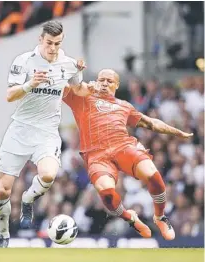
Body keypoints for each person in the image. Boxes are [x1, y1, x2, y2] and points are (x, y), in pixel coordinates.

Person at [0, 20, 93, 248]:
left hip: (47, 131)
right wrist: (29, 84)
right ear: (40, 39)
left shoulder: (68, 64)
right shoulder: (24, 61)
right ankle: (3, 233)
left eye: (57, 43)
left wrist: (92, 86)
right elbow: (9, 95)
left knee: (48, 175)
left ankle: (27, 199)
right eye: (49, 42)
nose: (53, 47)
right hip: (20, 130)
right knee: (2, 191)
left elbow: (78, 89)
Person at [63, 68, 193, 240]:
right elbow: (60, 86)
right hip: (96, 154)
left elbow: (150, 123)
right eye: (101, 79)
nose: (104, 83)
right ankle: (130, 218)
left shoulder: (124, 106)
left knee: (153, 175)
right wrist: (73, 73)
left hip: (123, 146)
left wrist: (176, 132)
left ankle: (160, 217)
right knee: (107, 193)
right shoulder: (81, 98)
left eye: (110, 81)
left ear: (116, 85)